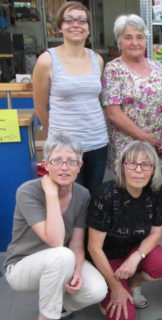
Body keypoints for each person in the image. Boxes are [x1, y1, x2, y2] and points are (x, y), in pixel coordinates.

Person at [3, 133, 107, 320]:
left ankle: (55, 303)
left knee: (97, 290)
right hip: (22, 266)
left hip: (62, 261)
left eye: (71, 161)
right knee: (61, 254)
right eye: (57, 160)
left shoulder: (82, 194)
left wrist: (78, 271)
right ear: (46, 164)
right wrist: (51, 194)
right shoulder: (28, 191)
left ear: (80, 166)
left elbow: (77, 244)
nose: (64, 167)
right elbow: (56, 240)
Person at [88, 141, 162, 320]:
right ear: (122, 167)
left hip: (133, 251)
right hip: (106, 256)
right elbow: (93, 248)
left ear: (153, 170)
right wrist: (115, 287)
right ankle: (106, 285)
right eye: (132, 164)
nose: (138, 170)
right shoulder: (106, 194)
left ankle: (134, 282)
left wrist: (136, 257)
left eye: (145, 164)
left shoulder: (156, 191)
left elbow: (156, 232)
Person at [32, 1, 108, 194]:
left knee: (93, 200)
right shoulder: (47, 60)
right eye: (69, 20)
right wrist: (56, 134)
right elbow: (40, 106)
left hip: (97, 143)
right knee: (69, 201)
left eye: (82, 20)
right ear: (60, 26)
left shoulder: (97, 60)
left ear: (89, 28)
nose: (76, 24)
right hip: (64, 148)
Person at [101, 14, 162, 171]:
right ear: (119, 42)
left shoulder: (158, 68)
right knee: (129, 193)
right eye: (128, 37)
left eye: (139, 37)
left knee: (154, 191)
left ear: (146, 40)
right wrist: (146, 138)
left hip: (158, 148)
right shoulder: (113, 69)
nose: (135, 43)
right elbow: (113, 113)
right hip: (129, 150)